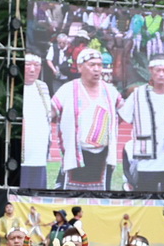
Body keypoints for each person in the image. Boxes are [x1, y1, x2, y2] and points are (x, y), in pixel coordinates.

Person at [51, 44, 124, 190]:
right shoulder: (67, 90)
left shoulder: (110, 91)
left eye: (99, 65)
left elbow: (123, 114)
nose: (97, 69)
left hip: (103, 156)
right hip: (76, 153)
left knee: (101, 197)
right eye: (92, 65)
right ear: (80, 67)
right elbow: (51, 113)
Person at [120, 55, 164, 192]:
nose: (161, 75)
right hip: (147, 159)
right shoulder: (138, 94)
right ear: (151, 70)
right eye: (158, 71)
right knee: (146, 199)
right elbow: (123, 115)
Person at [19, 52, 53, 187]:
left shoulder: (42, 87)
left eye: (37, 65)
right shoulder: (14, 87)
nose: (32, 70)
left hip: (39, 149)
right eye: (28, 65)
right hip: (22, 150)